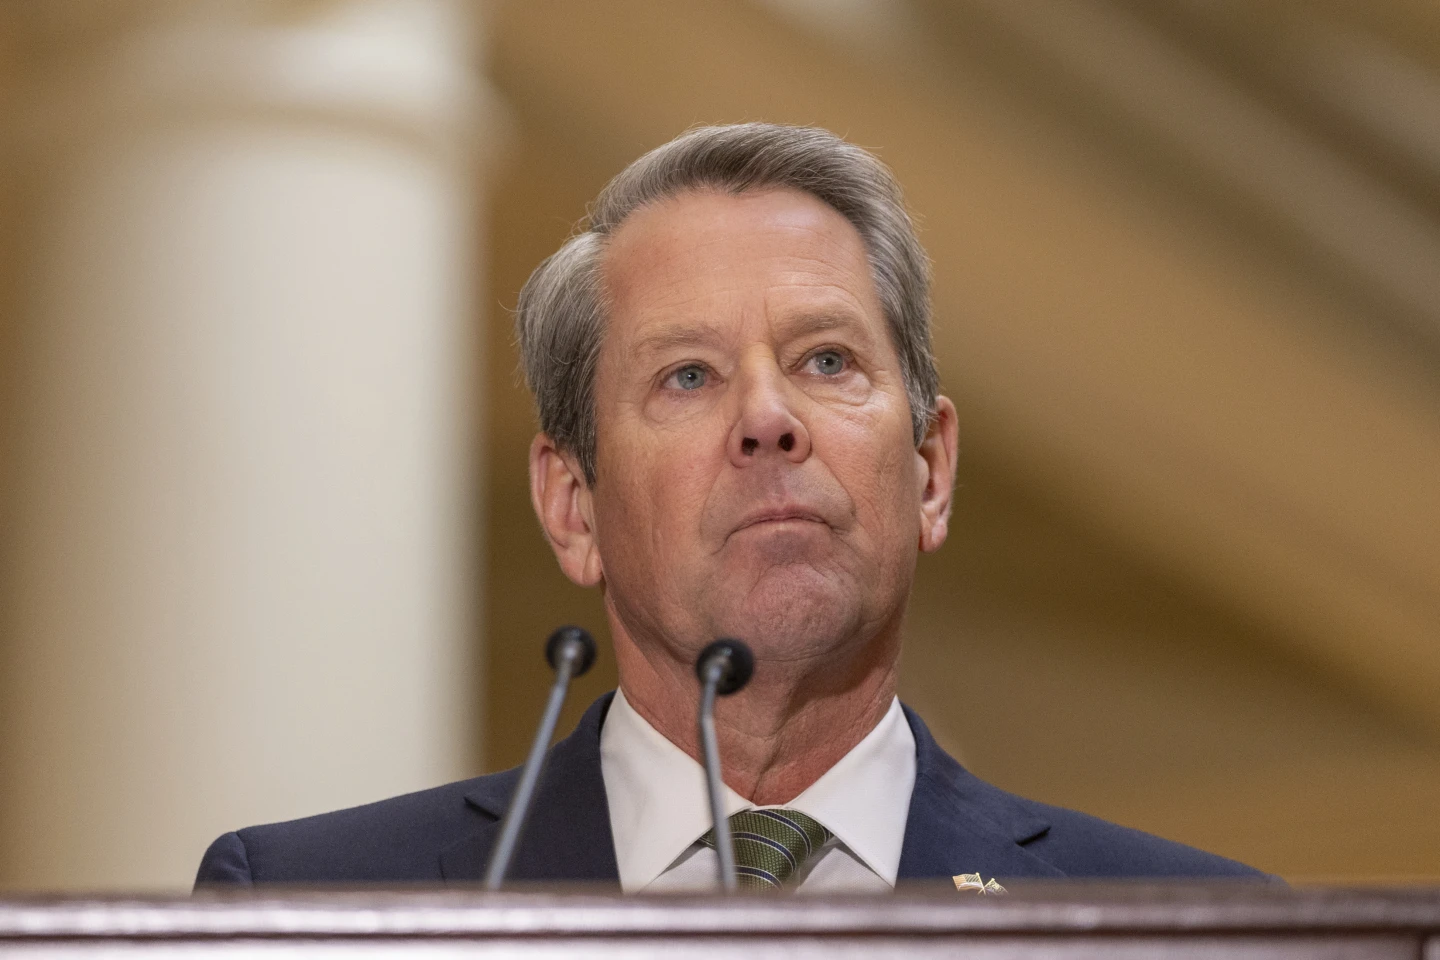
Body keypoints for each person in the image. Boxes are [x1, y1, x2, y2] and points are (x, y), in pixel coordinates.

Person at [196, 123, 1264, 891]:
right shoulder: (313, 908)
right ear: (572, 507)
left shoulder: (1188, 927)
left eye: (827, 360)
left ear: (932, 471)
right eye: (689, 377)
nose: (767, 418)